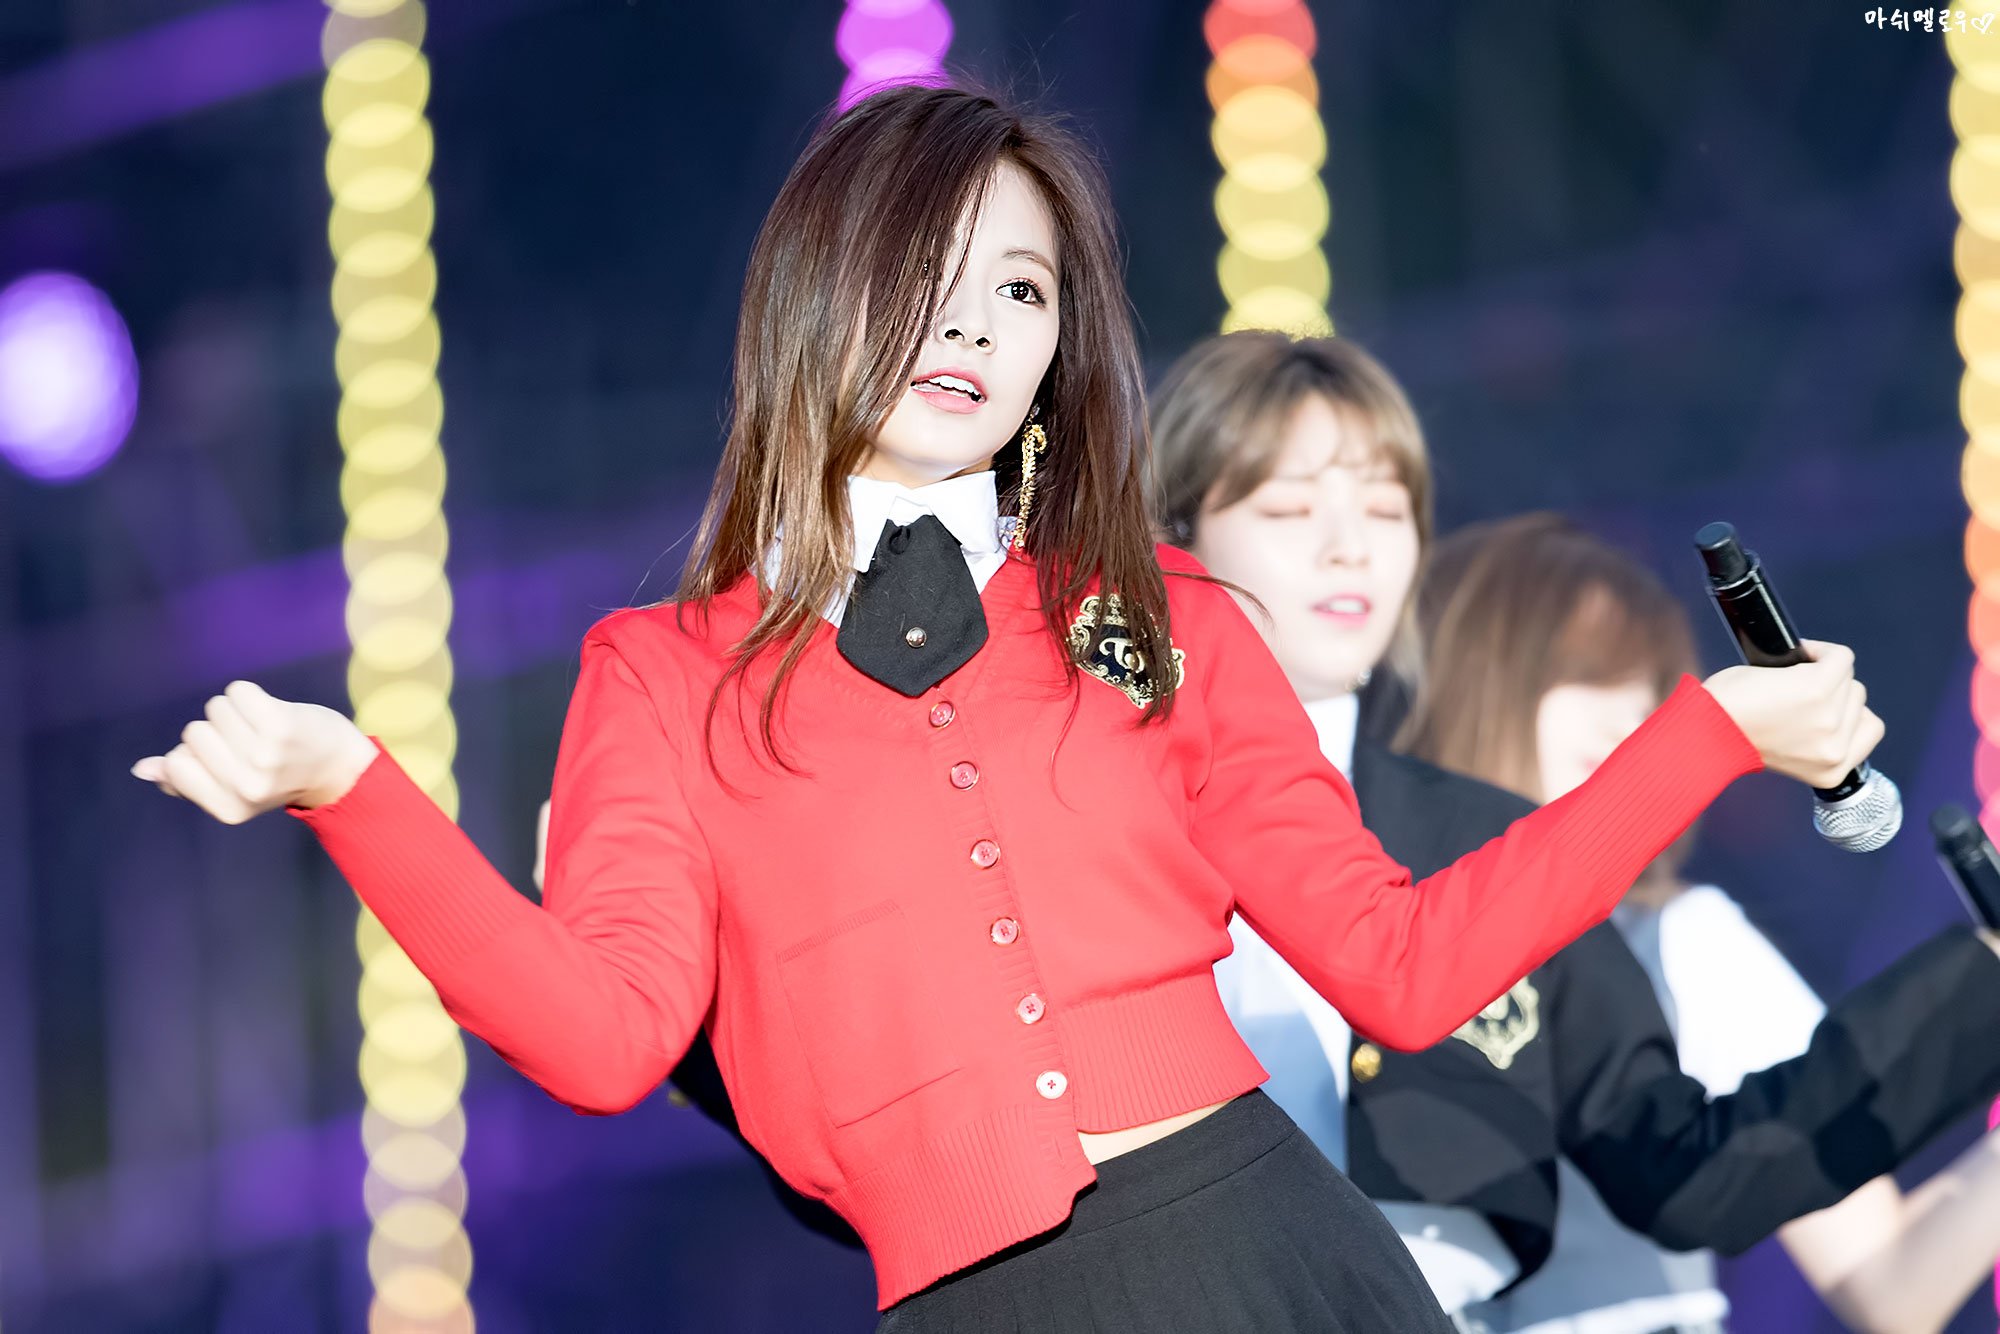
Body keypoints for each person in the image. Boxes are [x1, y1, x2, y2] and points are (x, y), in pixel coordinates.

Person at [129, 86, 1867, 1332]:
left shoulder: (1161, 612)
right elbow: (600, 1042)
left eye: (1022, 289)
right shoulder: (658, 675)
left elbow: (1404, 963)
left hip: (1278, 1258)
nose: (974, 326)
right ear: (821, 290)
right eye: (931, 270)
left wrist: (1711, 730)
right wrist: (350, 785)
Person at [1402, 513, 2000, 1334]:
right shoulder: (1355, 927)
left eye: (1649, 689)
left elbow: (1890, 1284)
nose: (1627, 717)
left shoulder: (1682, 937)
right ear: (1473, 677)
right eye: (1585, 674)